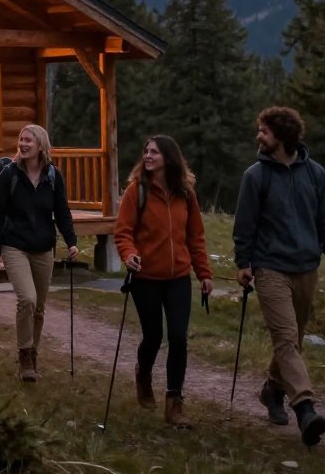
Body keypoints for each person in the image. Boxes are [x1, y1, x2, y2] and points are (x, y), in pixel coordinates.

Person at [233, 106, 325, 446]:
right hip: (270, 270)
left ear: (281, 136)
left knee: (292, 342)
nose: (259, 136)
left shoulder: (315, 175)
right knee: (286, 339)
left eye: (264, 131)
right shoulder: (256, 176)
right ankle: (305, 409)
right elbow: (244, 225)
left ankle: (271, 389)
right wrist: (243, 263)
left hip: (307, 270)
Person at [114, 135, 213, 429]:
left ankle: (175, 403)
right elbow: (123, 232)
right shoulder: (137, 191)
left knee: (179, 338)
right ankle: (143, 374)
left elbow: (196, 236)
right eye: (145, 151)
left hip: (179, 278)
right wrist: (130, 255)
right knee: (154, 336)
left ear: (169, 157)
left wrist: (204, 274)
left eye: (154, 152)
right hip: (145, 278)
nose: (147, 155)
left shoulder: (186, 194)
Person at [0, 124, 78, 383]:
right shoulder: (9, 175)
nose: (23, 144)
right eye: (21, 139)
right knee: (27, 299)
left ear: (41, 146)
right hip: (14, 245)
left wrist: (71, 241)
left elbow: (62, 211)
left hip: (43, 247)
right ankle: (25, 354)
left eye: (29, 140)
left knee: (39, 307)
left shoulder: (53, 176)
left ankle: (33, 354)